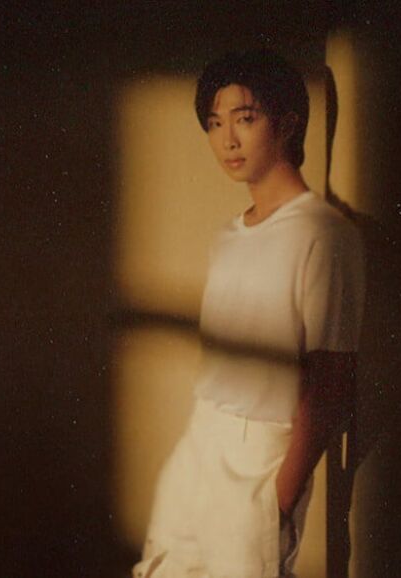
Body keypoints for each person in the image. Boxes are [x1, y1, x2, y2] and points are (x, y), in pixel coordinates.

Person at [133, 49, 366, 578]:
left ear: (287, 123)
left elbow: (331, 379)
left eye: (245, 118)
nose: (228, 140)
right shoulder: (229, 236)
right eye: (215, 123)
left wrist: (279, 499)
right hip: (199, 446)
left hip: (260, 456)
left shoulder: (324, 235)